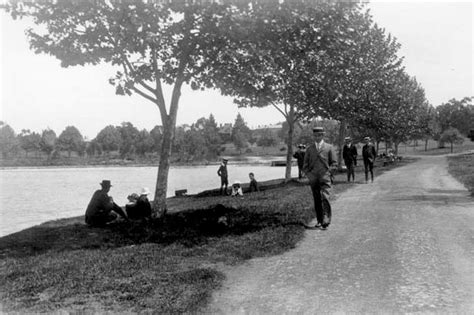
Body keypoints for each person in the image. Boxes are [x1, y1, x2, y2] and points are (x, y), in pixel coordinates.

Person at [302, 127, 336, 230]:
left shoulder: (329, 147)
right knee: (317, 199)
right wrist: (309, 175)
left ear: (323, 135)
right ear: (313, 136)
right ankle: (319, 220)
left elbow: (334, 163)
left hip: (325, 177)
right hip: (313, 178)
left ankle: (326, 219)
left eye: (319, 135)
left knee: (325, 197)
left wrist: (329, 173)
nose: (317, 137)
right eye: (315, 135)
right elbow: (305, 165)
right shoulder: (309, 149)